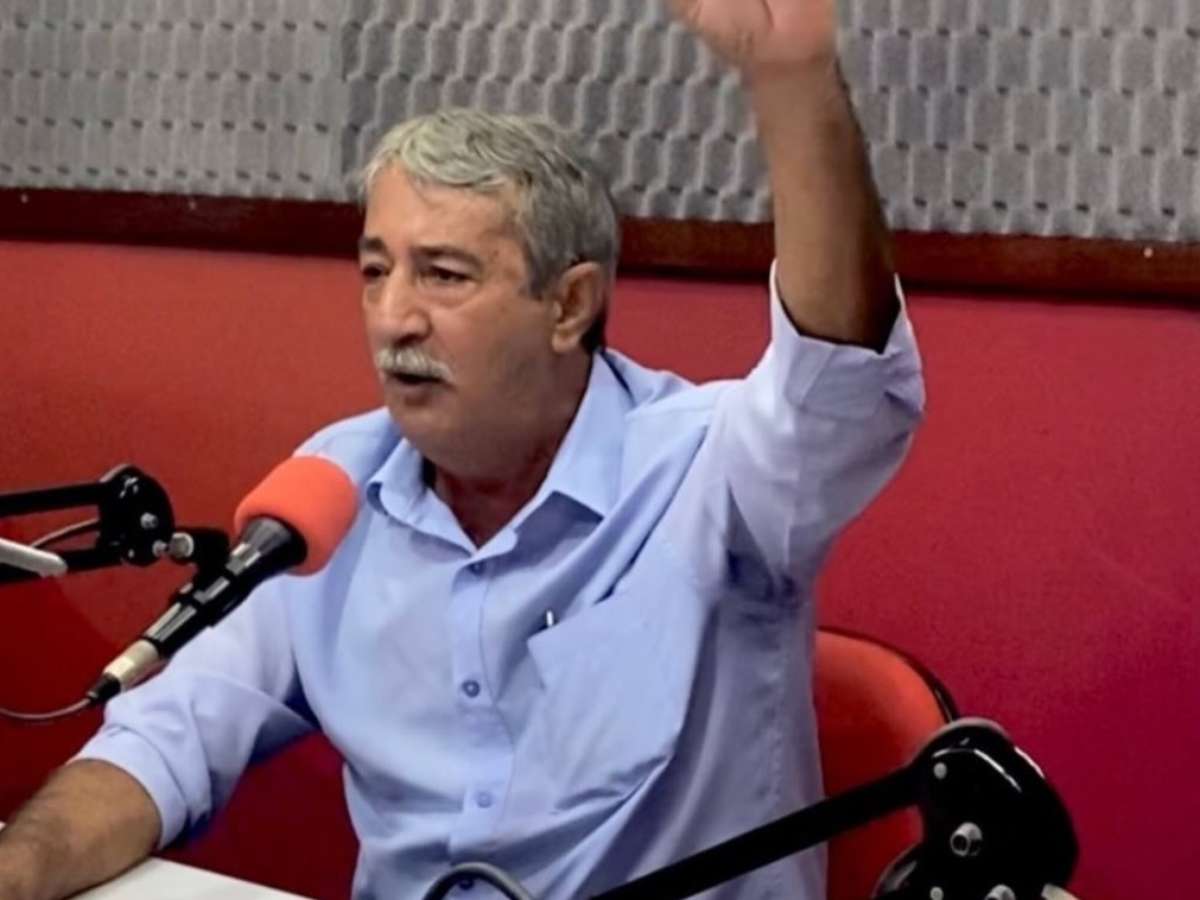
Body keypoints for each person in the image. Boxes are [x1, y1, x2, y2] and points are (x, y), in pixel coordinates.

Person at [0, 1, 923, 898]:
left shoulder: (712, 473)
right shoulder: (330, 495)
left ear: (568, 306)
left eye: (443, 275)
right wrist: (20, 870)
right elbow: (164, 740)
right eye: (375, 271)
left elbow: (841, 375)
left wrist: (794, 83)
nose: (394, 317)